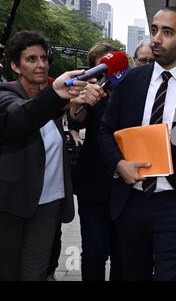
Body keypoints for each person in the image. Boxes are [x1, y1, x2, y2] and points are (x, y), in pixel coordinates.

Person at [98, 7, 176, 281]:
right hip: (131, 202)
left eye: (167, 32)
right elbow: (105, 131)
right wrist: (119, 164)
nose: (156, 38)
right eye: (154, 30)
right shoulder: (131, 80)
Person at [0, 30, 105, 281]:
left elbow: (73, 114)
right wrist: (57, 96)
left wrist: (77, 101)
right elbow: (21, 118)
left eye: (44, 58)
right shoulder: (7, 95)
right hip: (13, 205)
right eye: (31, 59)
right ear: (15, 66)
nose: (41, 65)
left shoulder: (52, 98)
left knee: (36, 272)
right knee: (8, 271)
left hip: (49, 204)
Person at [67, 42, 122, 281]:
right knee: (95, 252)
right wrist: (79, 102)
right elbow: (76, 120)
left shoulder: (131, 90)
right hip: (93, 189)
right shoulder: (88, 95)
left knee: (123, 255)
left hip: (126, 190)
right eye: (100, 68)